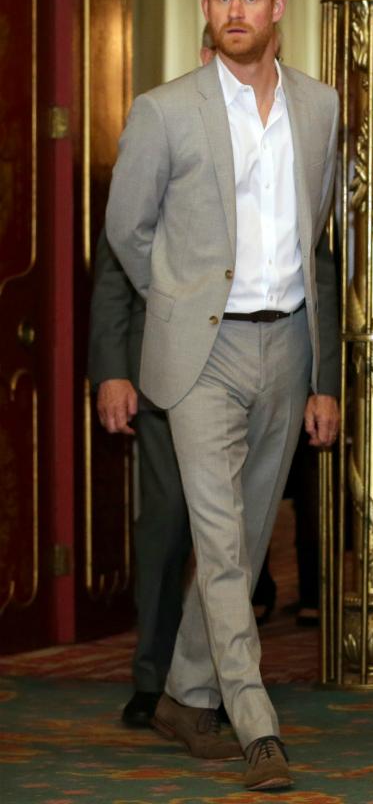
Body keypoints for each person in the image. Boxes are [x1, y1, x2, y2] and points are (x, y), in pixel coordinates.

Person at [105, 0, 341, 792]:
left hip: (288, 345)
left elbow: (320, 242)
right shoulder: (164, 111)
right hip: (202, 352)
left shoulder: (321, 107)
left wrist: (323, 376)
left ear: (279, 8)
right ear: (206, 9)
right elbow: (127, 231)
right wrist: (175, 302)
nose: (235, 11)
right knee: (222, 539)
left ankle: (182, 693)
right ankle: (255, 723)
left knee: (238, 538)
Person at [89, 230, 193, 729]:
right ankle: (153, 677)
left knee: (235, 532)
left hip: (245, 363)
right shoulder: (152, 151)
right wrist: (111, 371)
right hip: (159, 370)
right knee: (166, 518)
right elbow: (114, 274)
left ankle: (218, 680)